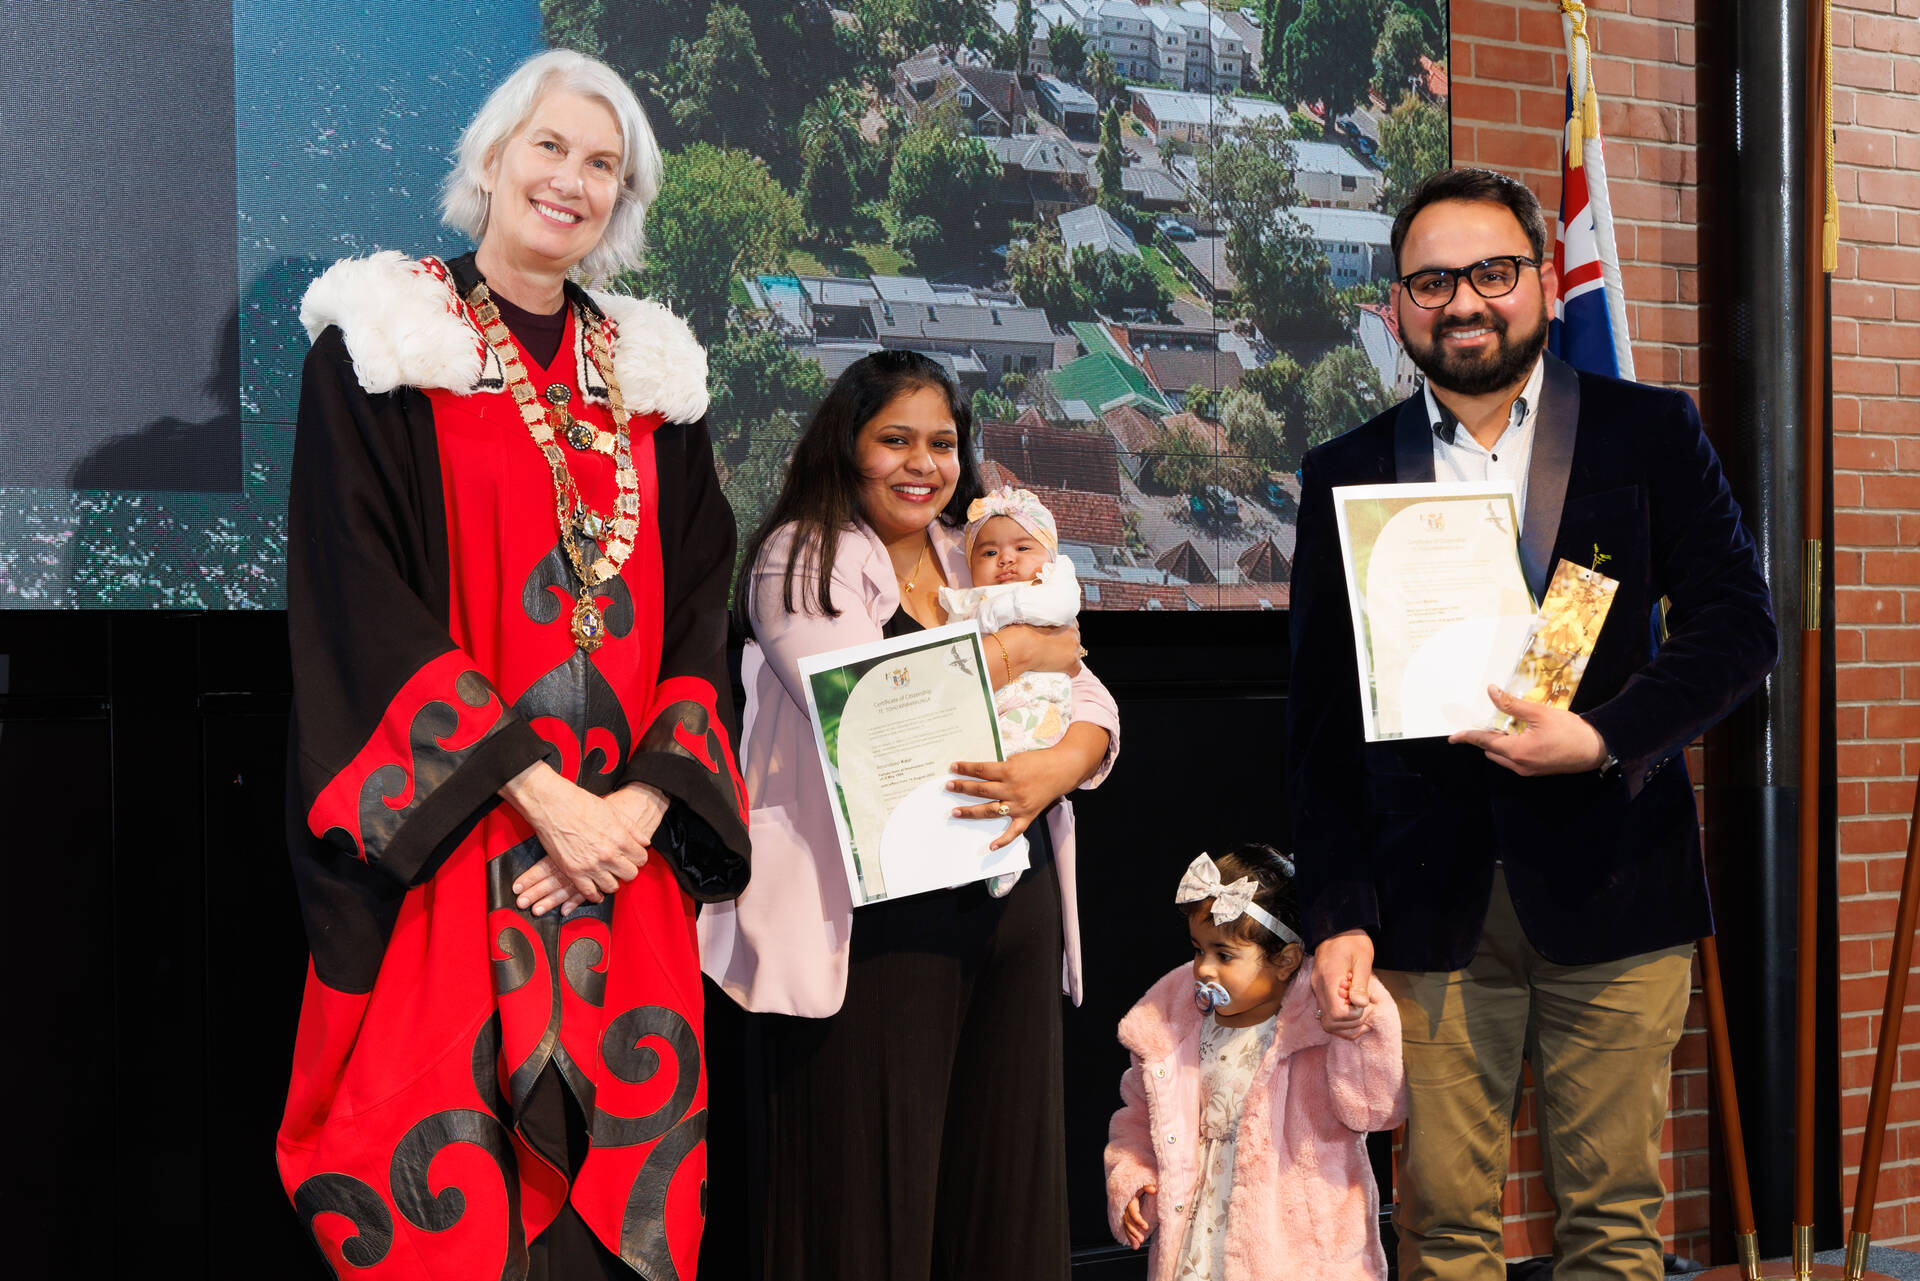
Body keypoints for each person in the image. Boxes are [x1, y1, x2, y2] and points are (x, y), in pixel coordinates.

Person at [278, 49, 749, 1281]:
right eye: (550, 147)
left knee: (613, 1225)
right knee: (459, 1213)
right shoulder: (388, 346)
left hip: (622, 867)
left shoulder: (653, 377)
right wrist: (541, 800)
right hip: (458, 850)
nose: (571, 181)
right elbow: (355, 599)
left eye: (602, 166)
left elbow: (703, 605)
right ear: (491, 158)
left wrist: (635, 811)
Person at [1287, 166, 1778, 1280]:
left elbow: (1740, 626)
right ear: (1396, 307)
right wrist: (1339, 913)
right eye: (1432, 282)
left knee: (1614, 1223)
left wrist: (1604, 737)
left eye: (1494, 272)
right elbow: (1319, 724)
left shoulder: (1649, 431)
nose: (1464, 301)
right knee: (1442, 1228)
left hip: (1617, 884)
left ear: (1546, 281)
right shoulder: (1344, 471)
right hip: (1425, 906)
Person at [698, 351, 1121, 1281]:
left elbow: (1089, 693)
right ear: (846, 446)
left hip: (1006, 915)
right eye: (896, 440)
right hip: (874, 931)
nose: (923, 464)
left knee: (1002, 1202)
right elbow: (869, 706)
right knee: (864, 1204)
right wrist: (1019, 653)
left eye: (942, 442)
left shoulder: (970, 548)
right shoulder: (799, 557)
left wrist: (1052, 769)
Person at [1104, 845, 1405, 1281]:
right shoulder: (1174, 1031)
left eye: (1224, 955)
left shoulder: (1319, 1027)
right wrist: (1133, 1174)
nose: (1204, 969)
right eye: (1198, 950)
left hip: (1296, 1251)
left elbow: (1373, 1110)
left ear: (1284, 961)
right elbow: (1137, 1117)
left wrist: (1359, 1018)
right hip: (1198, 1242)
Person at [936, 484, 1083, 895]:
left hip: (1034, 701)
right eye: (988, 553)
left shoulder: (1051, 585)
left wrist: (997, 613)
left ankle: (1004, 847)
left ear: (1049, 555)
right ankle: (972, 847)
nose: (1006, 559)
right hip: (986, 704)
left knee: (1009, 767)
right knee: (968, 767)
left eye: (1023, 548)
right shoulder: (967, 598)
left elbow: (1059, 609)